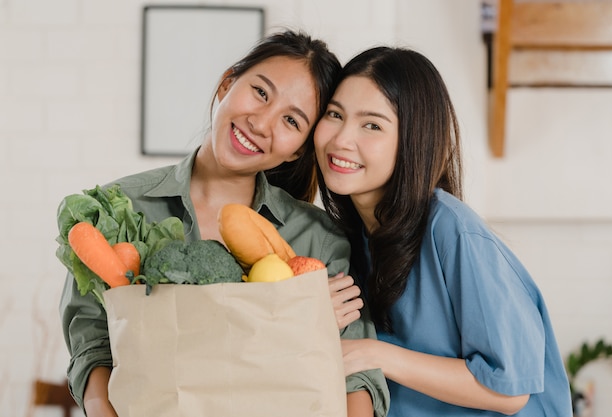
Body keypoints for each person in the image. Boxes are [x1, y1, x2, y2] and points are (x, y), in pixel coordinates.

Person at [59, 30, 389, 417]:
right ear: (227, 84)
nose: (261, 123)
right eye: (261, 93)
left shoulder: (317, 239)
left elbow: (358, 379)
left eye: (291, 121)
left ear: (298, 148)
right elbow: (94, 347)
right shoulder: (121, 209)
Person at [316, 46, 573, 416]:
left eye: (371, 124)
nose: (341, 139)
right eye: (334, 114)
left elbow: (508, 391)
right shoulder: (347, 239)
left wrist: (376, 354)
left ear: (412, 140)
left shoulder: (452, 230)